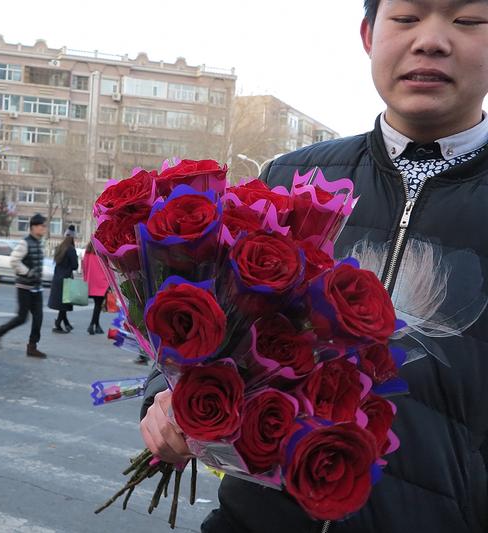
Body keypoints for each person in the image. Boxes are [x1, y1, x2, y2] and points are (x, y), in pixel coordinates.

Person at [140, 1, 488, 531]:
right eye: (407, 18)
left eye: (467, 20)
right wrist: (164, 400)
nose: (432, 40)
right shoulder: (296, 180)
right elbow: (198, 328)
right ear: (369, 34)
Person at [0, 214, 47, 358]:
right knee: (22, 318)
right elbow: (14, 261)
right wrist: (27, 272)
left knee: (38, 318)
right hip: (25, 287)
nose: (44, 229)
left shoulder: (38, 243)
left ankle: (32, 346)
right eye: (42, 226)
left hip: (37, 287)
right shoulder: (25, 243)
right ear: (34, 227)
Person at [48, 234, 78, 334]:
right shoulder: (71, 249)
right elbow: (75, 266)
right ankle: (57, 325)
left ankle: (66, 323)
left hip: (57, 278)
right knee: (64, 304)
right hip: (66, 279)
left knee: (62, 304)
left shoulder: (59, 247)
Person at [82, 242, 108, 335]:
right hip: (102, 282)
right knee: (98, 305)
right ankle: (91, 325)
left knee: (97, 305)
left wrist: (85, 279)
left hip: (92, 282)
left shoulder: (87, 252)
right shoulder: (101, 253)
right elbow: (107, 268)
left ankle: (97, 326)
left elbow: (84, 267)